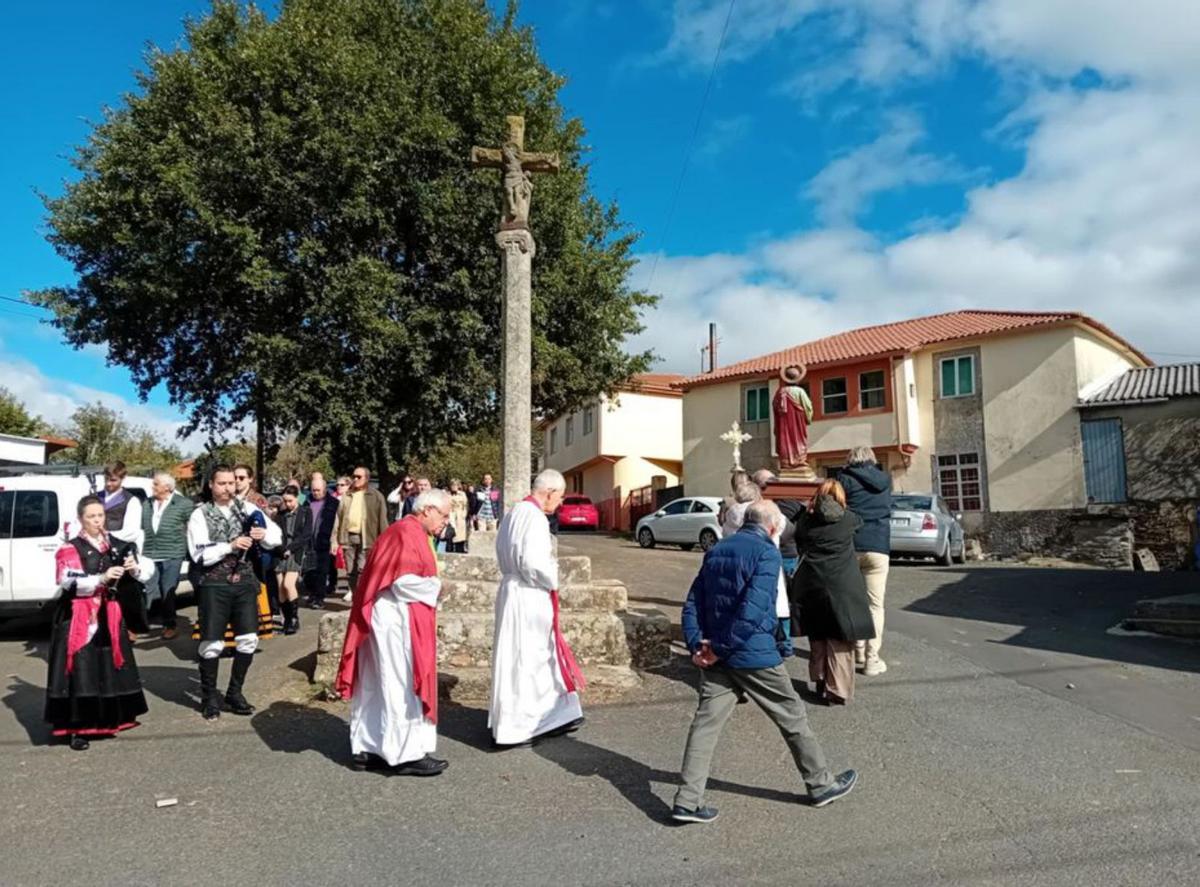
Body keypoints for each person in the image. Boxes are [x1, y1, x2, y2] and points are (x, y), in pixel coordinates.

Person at [672, 499, 857, 824]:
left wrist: (696, 644)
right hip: (751, 654)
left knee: (705, 725)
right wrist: (721, 647)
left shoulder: (717, 549)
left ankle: (687, 800)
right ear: (773, 527)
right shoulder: (766, 553)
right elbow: (754, 609)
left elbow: (693, 602)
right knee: (792, 717)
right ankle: (820, 785)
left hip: (718, 652)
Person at [336, 488, 452, 776]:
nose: (446, 522)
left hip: (386, 616)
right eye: (444, 514)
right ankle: (404, 754)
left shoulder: (408, 531)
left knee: (377, 682)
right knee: (398, 683)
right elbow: (402, 581)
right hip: (393, 619)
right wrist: (439, 587)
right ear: (427, 510)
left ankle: (370, 746)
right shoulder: (407, 533)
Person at [46, 495, 154, 750]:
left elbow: (145, 572)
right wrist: (101, 578)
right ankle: (77, 728)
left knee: (107, 665)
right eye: (91, 516)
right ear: (81, 519)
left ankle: (110, 718)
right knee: (81, 667)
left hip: (109, 612)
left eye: (100, 515)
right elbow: (66, 580)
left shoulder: (115, 543)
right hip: (78, 615)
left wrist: (133, 568)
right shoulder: (70, 547)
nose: (97, 520)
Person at [489, 469, 585, 748]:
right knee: (531, 658)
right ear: (550, 492)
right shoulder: (534, 518)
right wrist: (553, 576)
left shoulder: (514, 513)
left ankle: (553, 716)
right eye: (561, 496)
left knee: (526, 657)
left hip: (513, 591)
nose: (561, 503)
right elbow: (534, 563)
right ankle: (525, 724)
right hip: (529, 595)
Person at [187, 465, 281, 720]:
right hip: (214, 584)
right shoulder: (200, 514)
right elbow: (200, 554)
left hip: (244, 583)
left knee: (249, 639)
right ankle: (208, 698)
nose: (228, 488)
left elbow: (276, 536)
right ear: (211, 485)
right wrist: (229, 546)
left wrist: (263, 535)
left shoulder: (247, 508)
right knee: (212, 643)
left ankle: (234, 693)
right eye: (222, 483)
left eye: (231, 483)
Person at [790, 480, 875, 705]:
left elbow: (799, 542)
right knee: (840, 639)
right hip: (843, 584)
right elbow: (861, 522)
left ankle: (819, 682)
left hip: (812, 583)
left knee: (817, 636)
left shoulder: (806, 520)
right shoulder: (849, 518)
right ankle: (837, 690)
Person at [840, 446, 892, 676]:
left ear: (850, 460)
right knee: (875, 605)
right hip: (879, 545)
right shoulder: (885, 479)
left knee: (853, 601)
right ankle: (872, 659)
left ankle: (858, 649)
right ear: (871, 459)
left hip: (851, 544)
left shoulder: (843, 478)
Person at [97, 460, 148, 638]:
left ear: (122, 479)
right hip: (99, 550)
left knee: (123, 592)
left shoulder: (131, 501)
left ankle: (128, 627)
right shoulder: (96, 497)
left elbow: (132, 531)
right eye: (107, 480)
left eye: (113, 480)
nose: (109, 484)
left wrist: (108, 535)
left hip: (121, 549)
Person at [140, 471, 194, 639]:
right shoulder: (147, 503)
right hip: (149, 553)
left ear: (168, 487)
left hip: (173, 553)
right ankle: (139, 624)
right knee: (146, 588)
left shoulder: (183, 504)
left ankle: (170, 624)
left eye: (156, 484)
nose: (153, 487)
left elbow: (193, 525)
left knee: (167, 589)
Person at [333, 466, 389, 604]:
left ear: (367, 478)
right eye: (354, 476)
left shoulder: (376, 496)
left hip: (367, 539)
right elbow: (338, 518)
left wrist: (384, 542)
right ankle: (356, 599)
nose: (355, 479)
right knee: (350, 571)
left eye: (359, 477)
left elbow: (383, 520)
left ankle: (364, 600)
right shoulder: (347, 496)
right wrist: (334, 540)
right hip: (348, 538)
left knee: (362, 570)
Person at [276, 484, 313, 635]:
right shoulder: (280, 514)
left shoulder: (305, 512)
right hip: (280, 553)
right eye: (285, 501)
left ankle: (294, 618)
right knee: (281, 589)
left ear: (297, 498)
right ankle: (286, 619)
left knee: (288, 584)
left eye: (290, 500)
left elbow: (306, 534)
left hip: (295, 552)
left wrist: (290, 548)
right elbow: (275, 534)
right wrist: (281, 549)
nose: (288, 504)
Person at [303, 472, 339, 610]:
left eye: (318, 490)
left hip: (324, 540)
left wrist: (335, 541)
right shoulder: (307, 502)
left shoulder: (334, 503)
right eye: (313, 490)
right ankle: (312, 594)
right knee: (309, 571)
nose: (316, 493)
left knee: (322, 571)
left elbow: (338, 523)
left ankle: (319, 597)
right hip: (308, 541)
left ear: (325, 489)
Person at [447, 479, 469, 554]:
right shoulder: (447, 495)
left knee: (460, 534)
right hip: (451, 514)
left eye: (456, 485)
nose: (454, 487)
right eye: (452, 485)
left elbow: (465, 505)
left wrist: (464, 514)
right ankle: (450, 549)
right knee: (451, 531)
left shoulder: (462, 494)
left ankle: (460, 549)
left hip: (460, 515)